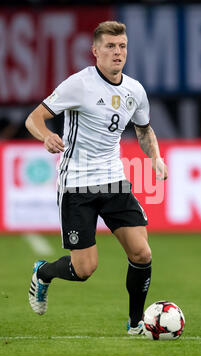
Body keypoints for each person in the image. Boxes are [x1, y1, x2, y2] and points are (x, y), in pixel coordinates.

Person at [25, 21, 168, 335]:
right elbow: (34, 117)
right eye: (110, 47)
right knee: (84, 269)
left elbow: (143, 129)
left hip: (114, 182)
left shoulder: (135, 90)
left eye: (122, 46)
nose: (118, 53)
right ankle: (44, 272)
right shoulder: (79, 85)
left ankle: (135, 324)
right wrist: (46, 136)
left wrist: (155, 157)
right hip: (77, 184)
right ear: (95, 51)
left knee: (142, 253)